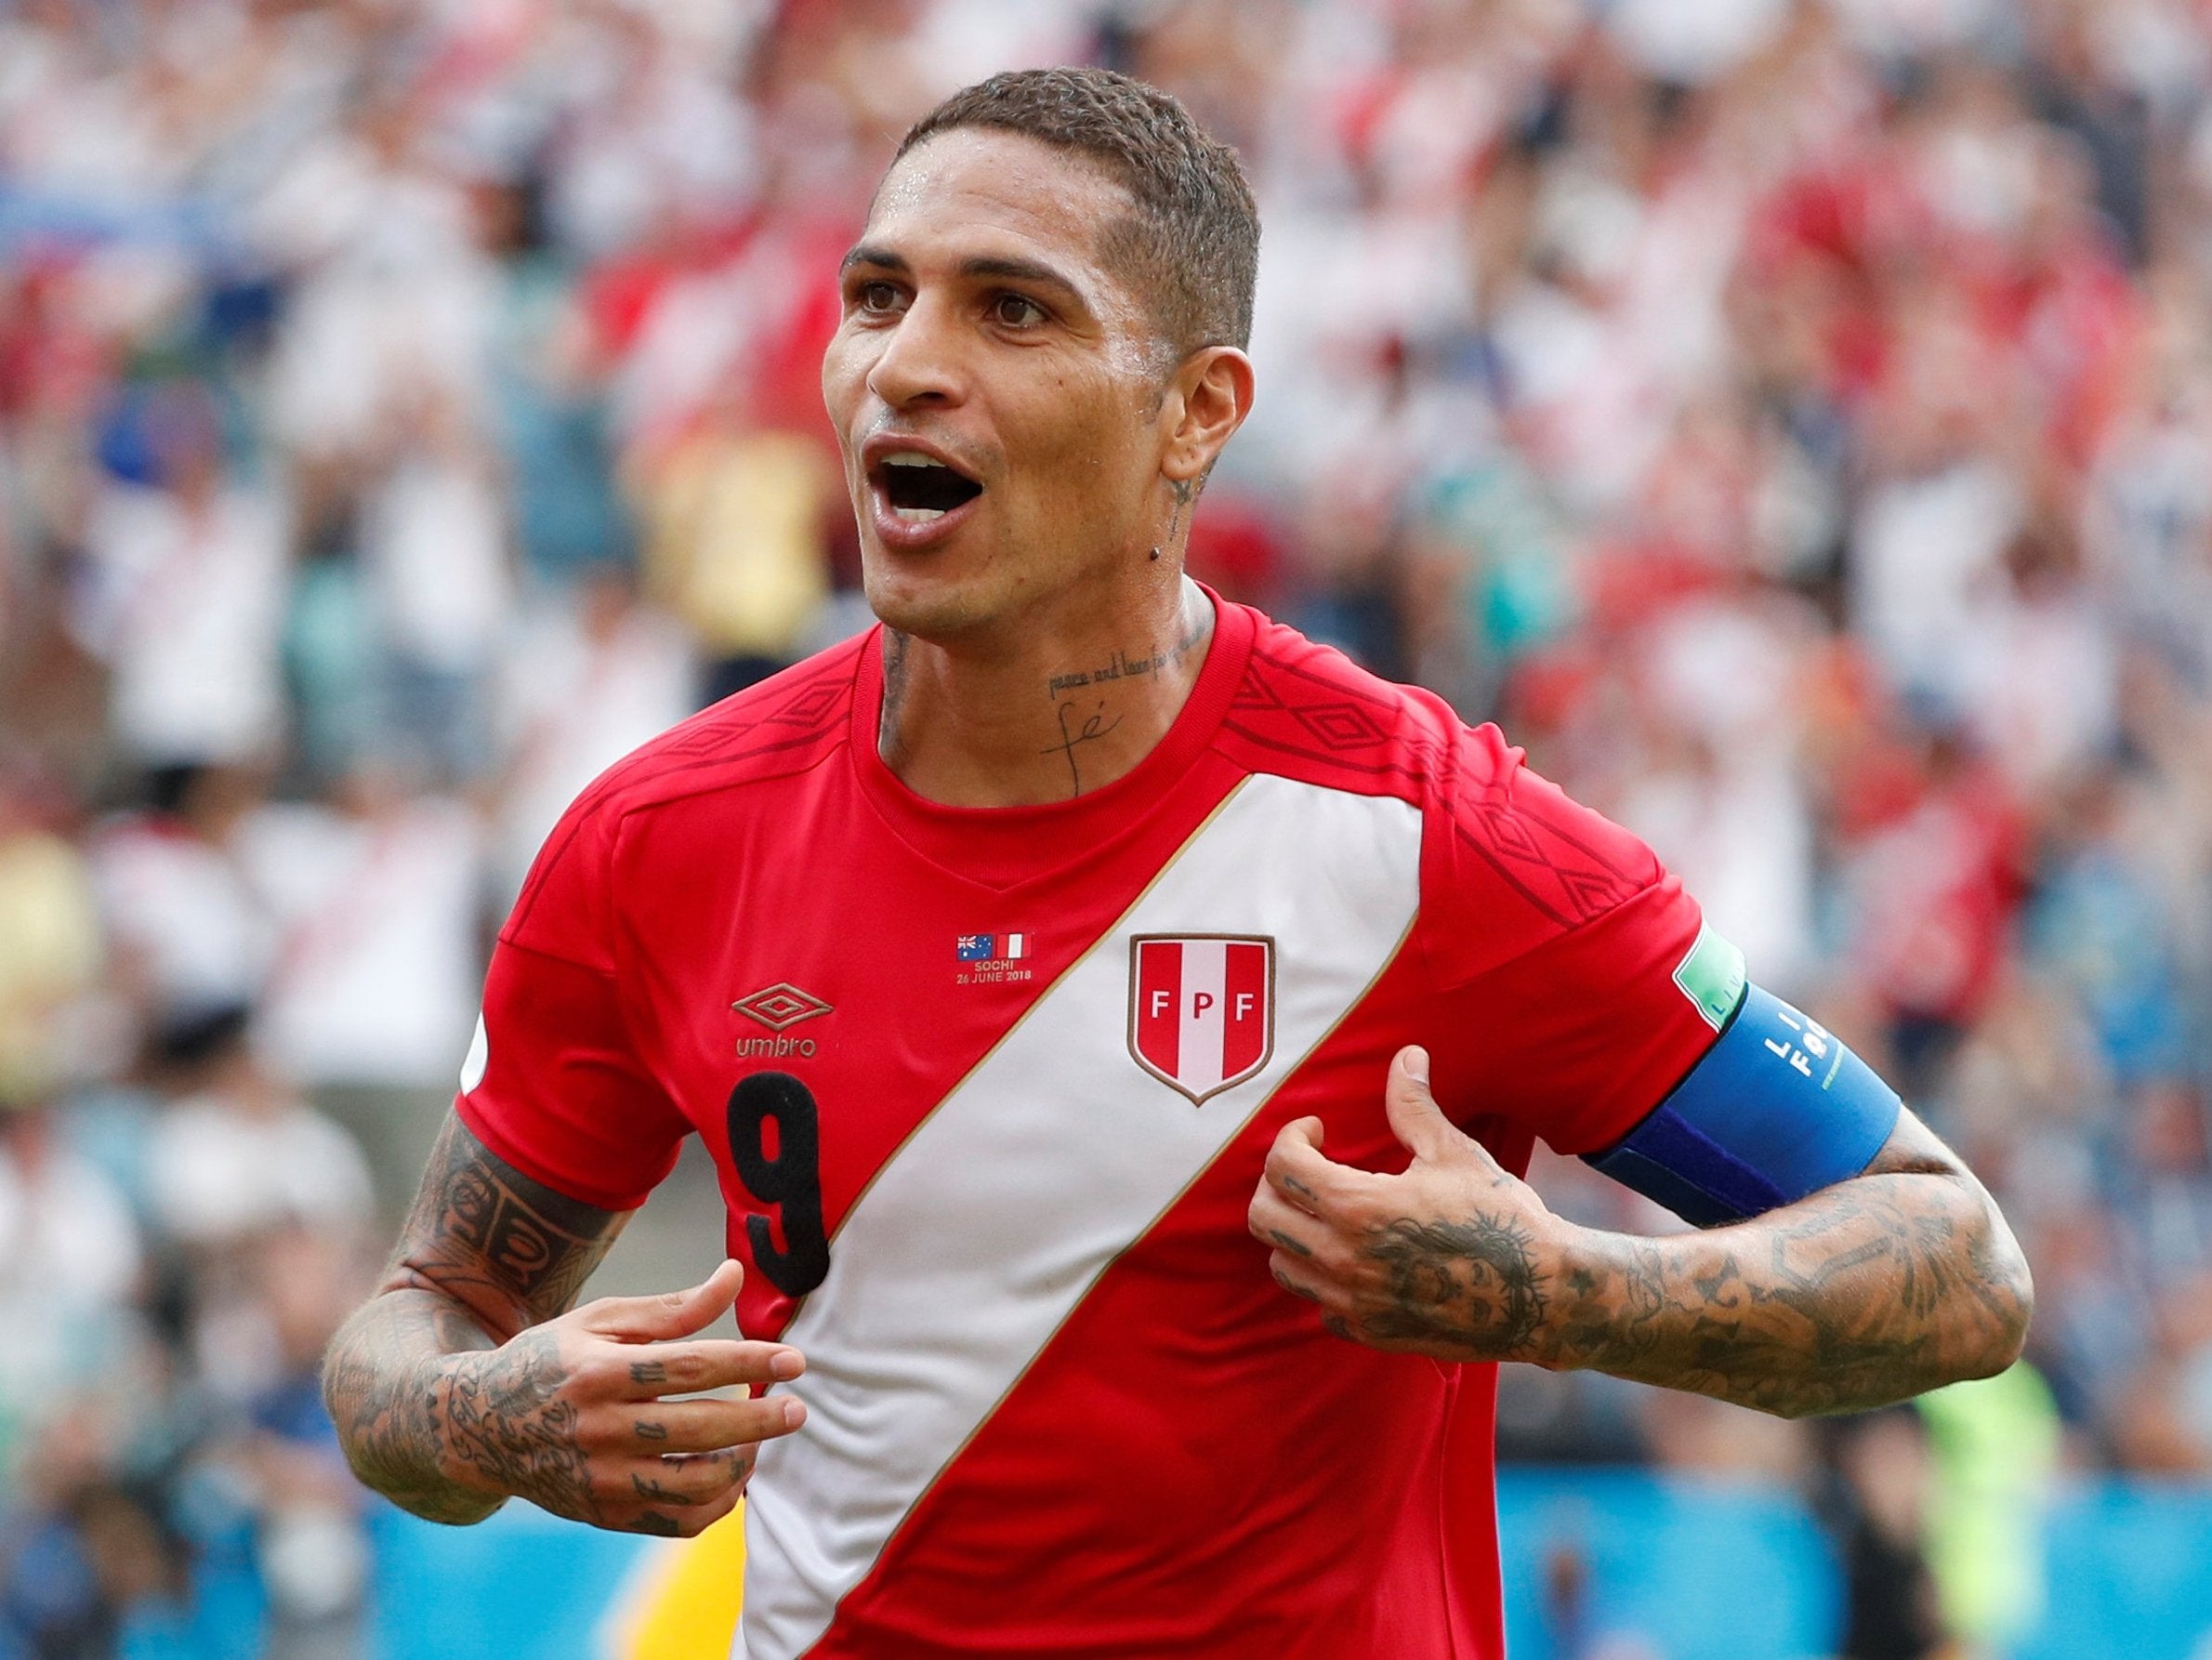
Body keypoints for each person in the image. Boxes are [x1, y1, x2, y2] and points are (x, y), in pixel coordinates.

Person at [321, 68, 2033, 1659]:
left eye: (1013, 309)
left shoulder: (1432, 835)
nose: (905, 361)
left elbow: (1955, 1260)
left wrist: (1571, 1294)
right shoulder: (656, 842)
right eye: (876, 294)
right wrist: (491, 1415)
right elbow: (413, 1326)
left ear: (1196, 413)